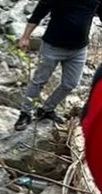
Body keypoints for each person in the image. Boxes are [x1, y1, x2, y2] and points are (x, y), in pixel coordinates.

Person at [14, 0, 102, 131]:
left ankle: (46, 110)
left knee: (70, 84)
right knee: (39, 80)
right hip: (52, 46)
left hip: (78, 49)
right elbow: (39, 13)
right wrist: (25, 37)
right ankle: (25, 114)